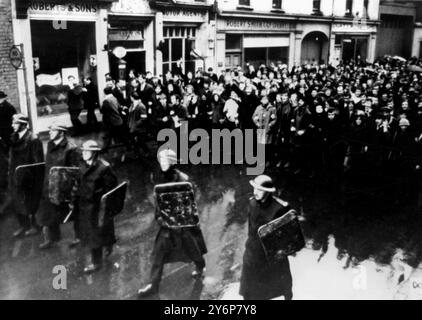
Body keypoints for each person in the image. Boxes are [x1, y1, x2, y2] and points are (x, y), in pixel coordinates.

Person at [138, 149, 207, 298]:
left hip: (182, 225)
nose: (162, 163)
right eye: (161, 160)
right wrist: (160, 218)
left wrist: (181, 219)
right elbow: (158, 200)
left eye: (165, 160)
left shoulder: (183, 179)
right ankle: (153, 285)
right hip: (166, 224)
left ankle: (200, 265)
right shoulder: (159, 178)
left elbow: (190, 202)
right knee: (158, 254)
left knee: (192, 249)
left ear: (172, 162)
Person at [240, 175, 293, 300]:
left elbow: (287, 237)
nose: (255, 192)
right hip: (252, 253)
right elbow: (250, 228)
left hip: (270, 255)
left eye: (259, 190)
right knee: (248, 290)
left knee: (273, 285)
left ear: (268, 192)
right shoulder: (252, 203)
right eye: (254, 189)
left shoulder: (280, 208)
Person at [72, 140, 118, 273]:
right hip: (85, 206)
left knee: (96, 233)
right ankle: (107, 244)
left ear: (94, 152)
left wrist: (106, 207)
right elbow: (78, 183)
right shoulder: (82, 165)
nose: (84, 153)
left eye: (87, 151)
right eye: (83, 151)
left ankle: (96, 262)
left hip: (98, 207)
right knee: (92, 233)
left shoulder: (104, 168)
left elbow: (111, 191)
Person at [38, 123, 81, 249]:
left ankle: (79, 237)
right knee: (50, 212)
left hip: (64, 188)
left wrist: (70, 190)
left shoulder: (71, 149)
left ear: (61, 133)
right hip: (50, 185)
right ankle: (53, 238)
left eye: (53, 130)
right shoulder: (51, 145)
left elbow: (74, 171)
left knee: (73, 212)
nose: (50, 132)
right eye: (50, 129)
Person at [8, 114, 44, 237]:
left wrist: (30, 178)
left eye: (15, 123)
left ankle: (35, 226)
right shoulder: (14, 137)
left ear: (23, 124)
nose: (12, 125)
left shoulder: (33, 140)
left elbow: (37, 163)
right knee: (16, 200)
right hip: (15, 174)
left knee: (31, 202)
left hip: (28, 177)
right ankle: (24, 226)